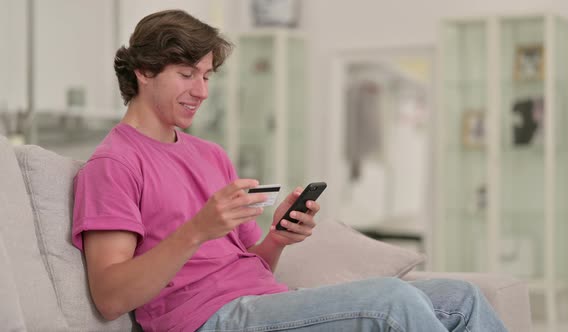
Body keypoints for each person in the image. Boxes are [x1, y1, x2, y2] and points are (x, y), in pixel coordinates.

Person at [72, 9, 508, 332]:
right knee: (391, 300)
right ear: (145, 71)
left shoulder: (209, 154)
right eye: (188, 74)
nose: (201, 91)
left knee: (462, 297)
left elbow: (253, 265)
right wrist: (197, 229)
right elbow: (111, 297)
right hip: (205, 319)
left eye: (207, 76)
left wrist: (278, 238)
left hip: (263, 301)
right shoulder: (114, 165)